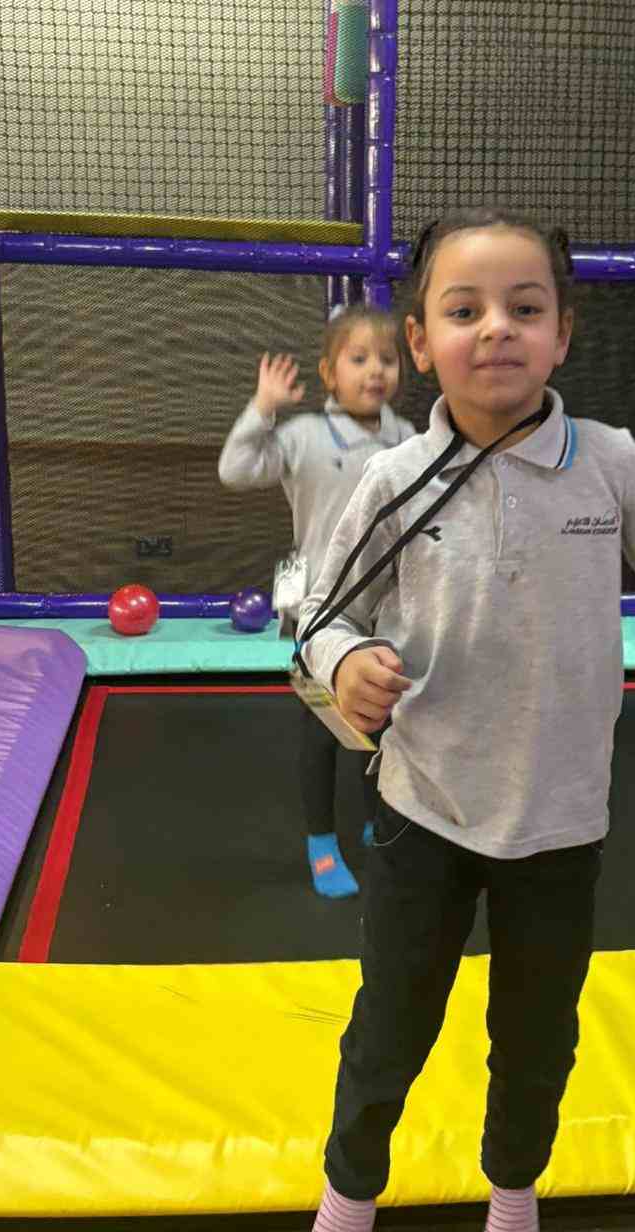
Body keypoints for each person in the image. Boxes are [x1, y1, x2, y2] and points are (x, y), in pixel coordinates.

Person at [296, 208, 635, 1232]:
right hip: (424, 810)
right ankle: (347, 1199)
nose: (497, 328)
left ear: (563, 334)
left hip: (562, 820)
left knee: (536, 1042)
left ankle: (513, 1198)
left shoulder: (606, 463)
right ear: (421, 342)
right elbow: (320, 616)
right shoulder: (393, 479)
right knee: (389, 1029)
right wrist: (345, 661)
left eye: (525, 308)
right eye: (464, 310)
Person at [219, 305, 416, 898]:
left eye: (387, 359)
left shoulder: (408, 438)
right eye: (359, 359)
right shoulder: (304, 436)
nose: (375, 370)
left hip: (385, 612)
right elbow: (236, 469)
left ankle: (376, 823)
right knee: (323, 731)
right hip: (317, 610)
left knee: (380, 726)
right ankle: (321, 841)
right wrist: (263, 408)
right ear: (329, 373)